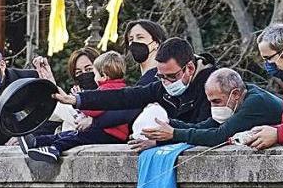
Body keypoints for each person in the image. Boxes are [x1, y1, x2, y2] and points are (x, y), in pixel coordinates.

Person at [53, 37, 215, 150]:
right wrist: (76, 99)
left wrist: (161, 141)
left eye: (171, 76)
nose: (166, 82)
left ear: (190, 68)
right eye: (161, 76)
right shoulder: (161, 87)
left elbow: (207, 130)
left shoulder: (213, 85)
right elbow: (124, 97)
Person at [21, 51, 132, 164]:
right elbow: (58, 110)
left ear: (103, 75)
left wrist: (80, 100)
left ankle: (53, 149)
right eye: (79, 72)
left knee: (75, 137)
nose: (86, 75)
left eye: (90, 70)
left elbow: (94, 107)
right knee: (66, 135)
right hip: (111, 134)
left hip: (107, 134)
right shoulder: (123, 89)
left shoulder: (106, 90)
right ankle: (35, 142)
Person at [140, 68, 283, 147]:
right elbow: (203, 126)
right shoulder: (239, 98)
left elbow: (219, 136)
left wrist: (174, 134)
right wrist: (166, 123)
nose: (213, 107)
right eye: (210, 102)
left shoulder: (255, 102)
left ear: (235, 95)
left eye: (216, 101)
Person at [123, 20, 168, 86]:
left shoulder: (161, 80)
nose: (134, 42)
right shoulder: (145, 81)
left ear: (156, 43)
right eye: (131, 39)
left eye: (140, 37)